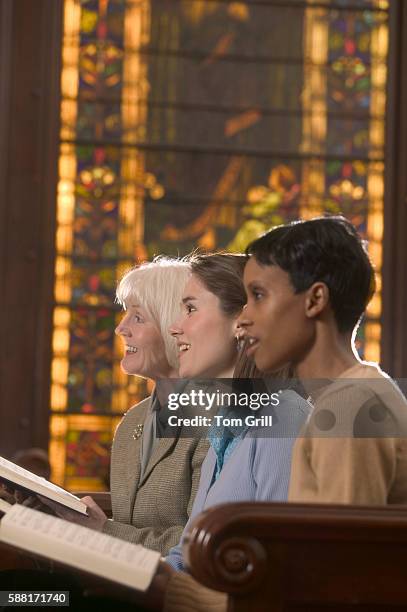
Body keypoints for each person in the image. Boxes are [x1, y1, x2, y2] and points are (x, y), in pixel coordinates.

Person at [34, 257, 209, 555]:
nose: (120, 328)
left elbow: (199, 543)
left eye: (138, 317)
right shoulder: (133, 421)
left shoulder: (216, 417)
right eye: (125, 314)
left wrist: (104, 530)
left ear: (174, 326)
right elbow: (129, 521)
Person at [238, 215, 407, 504]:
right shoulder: (351, 397)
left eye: (259, 295)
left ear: (315, 300)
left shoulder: (348, 406)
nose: (243, 318)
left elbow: (342, 546)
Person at [164, 253, 310, 571]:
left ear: (240, 320)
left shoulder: (284, 417)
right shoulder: (225, 428)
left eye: (190, 308)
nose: (175, 328)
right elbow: (184, 557)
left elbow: (276, 566)